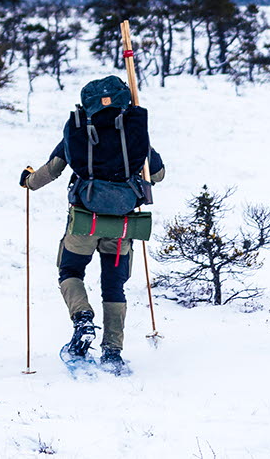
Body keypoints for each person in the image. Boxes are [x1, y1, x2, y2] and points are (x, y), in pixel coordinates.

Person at [20, 75, 165, 373]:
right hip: (122, 225)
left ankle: (82, 317)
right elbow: (158, 174)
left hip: (84, 219)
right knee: (114, 286)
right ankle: (112, 350)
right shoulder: (134, 133)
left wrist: (28, 181)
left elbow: (53, 169)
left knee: (70, 271)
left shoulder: (78, 130)